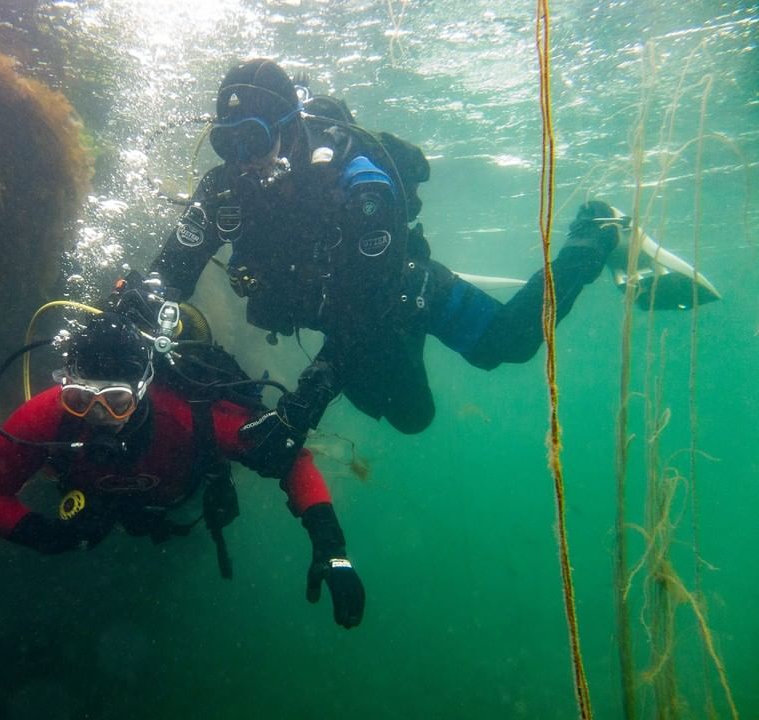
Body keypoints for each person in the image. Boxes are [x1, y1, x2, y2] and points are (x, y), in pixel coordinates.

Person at [150, 58, 627, 477]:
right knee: (409, 417)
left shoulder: (360, 186)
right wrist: (126, 313)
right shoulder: (224, 190)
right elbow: (168, 273)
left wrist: (302, 407)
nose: (242, 161)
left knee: (510, 342)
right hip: (338, 315)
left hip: (397, 293)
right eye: (226, 143)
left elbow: (367, 307)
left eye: (253, 139)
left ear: (291, 127)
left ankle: (597, 232)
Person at [0, 311, 366, 628]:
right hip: (89, 516)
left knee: (190, 534)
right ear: (65, 389)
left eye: (117, 401)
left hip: (178, 512)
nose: (99, 416)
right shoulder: (49, 416)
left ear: (144, 388)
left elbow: (291, 460)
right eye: (80, 399)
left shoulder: (194, 417)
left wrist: (332, 550)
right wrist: (46, 534)